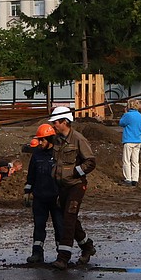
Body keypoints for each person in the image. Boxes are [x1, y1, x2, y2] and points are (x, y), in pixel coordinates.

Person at [48, 105, 97, 270]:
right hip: (62, 186)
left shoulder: (78, 139)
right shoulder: (56, 139)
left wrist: (77, 171)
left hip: (76, 185)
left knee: (68, 219)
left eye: (56, 122)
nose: (54, 125)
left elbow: (91, 161)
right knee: (71, 219)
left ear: (64, 122)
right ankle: (87, 247)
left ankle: (63, 257)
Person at [22, 123, 63, 265]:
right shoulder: (36, 155)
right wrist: (27, 190)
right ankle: (37, 253)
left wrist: (62, 193)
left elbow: (65, 176)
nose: (39, 143)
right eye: (39, 140)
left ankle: (62, 255)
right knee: (39, 225)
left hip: (56, 197)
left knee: (60, 226)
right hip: (40, 197)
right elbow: (31, 175)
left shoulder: (58, 154)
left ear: (50, 139)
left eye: (42, 140)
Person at [118, 99, 141, 187]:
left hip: (128, 140)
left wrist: (125, 113)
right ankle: (135, 179)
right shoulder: (140, 116)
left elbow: (121, 123)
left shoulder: (128, 115)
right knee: (135, 161)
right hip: (137, 141)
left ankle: (128, 179)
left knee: (126, 160)